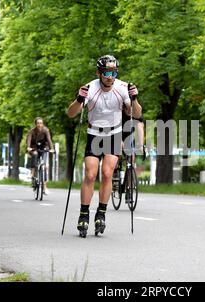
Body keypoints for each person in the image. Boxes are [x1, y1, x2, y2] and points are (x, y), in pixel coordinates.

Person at [67, 55, 142, 237]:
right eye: (107, 72)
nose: (110, 76)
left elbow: (136, 114)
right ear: (99, 73)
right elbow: (71, 113)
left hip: (114, 134)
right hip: (94, 134)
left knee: (107, 173)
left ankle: (101, 213)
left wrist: (134, 99)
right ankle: (84, 214)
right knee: (90, 174)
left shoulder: (122, 88)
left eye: (114, 72)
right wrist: (78, 100)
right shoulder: (90, 88)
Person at [26, 117, 54, 195]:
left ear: (43, 124)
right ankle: (33, 173)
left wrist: (51, 148)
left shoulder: (46, 130)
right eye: (38, 123)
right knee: (35, 155)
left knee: (44, 166)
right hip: (34, 148)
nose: (39, 125)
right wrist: (28, 147)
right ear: (35, 124)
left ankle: (45, 188)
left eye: (41, 123)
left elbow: (49, 140)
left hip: (43, 148)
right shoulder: (32, 131)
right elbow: (29, 139)